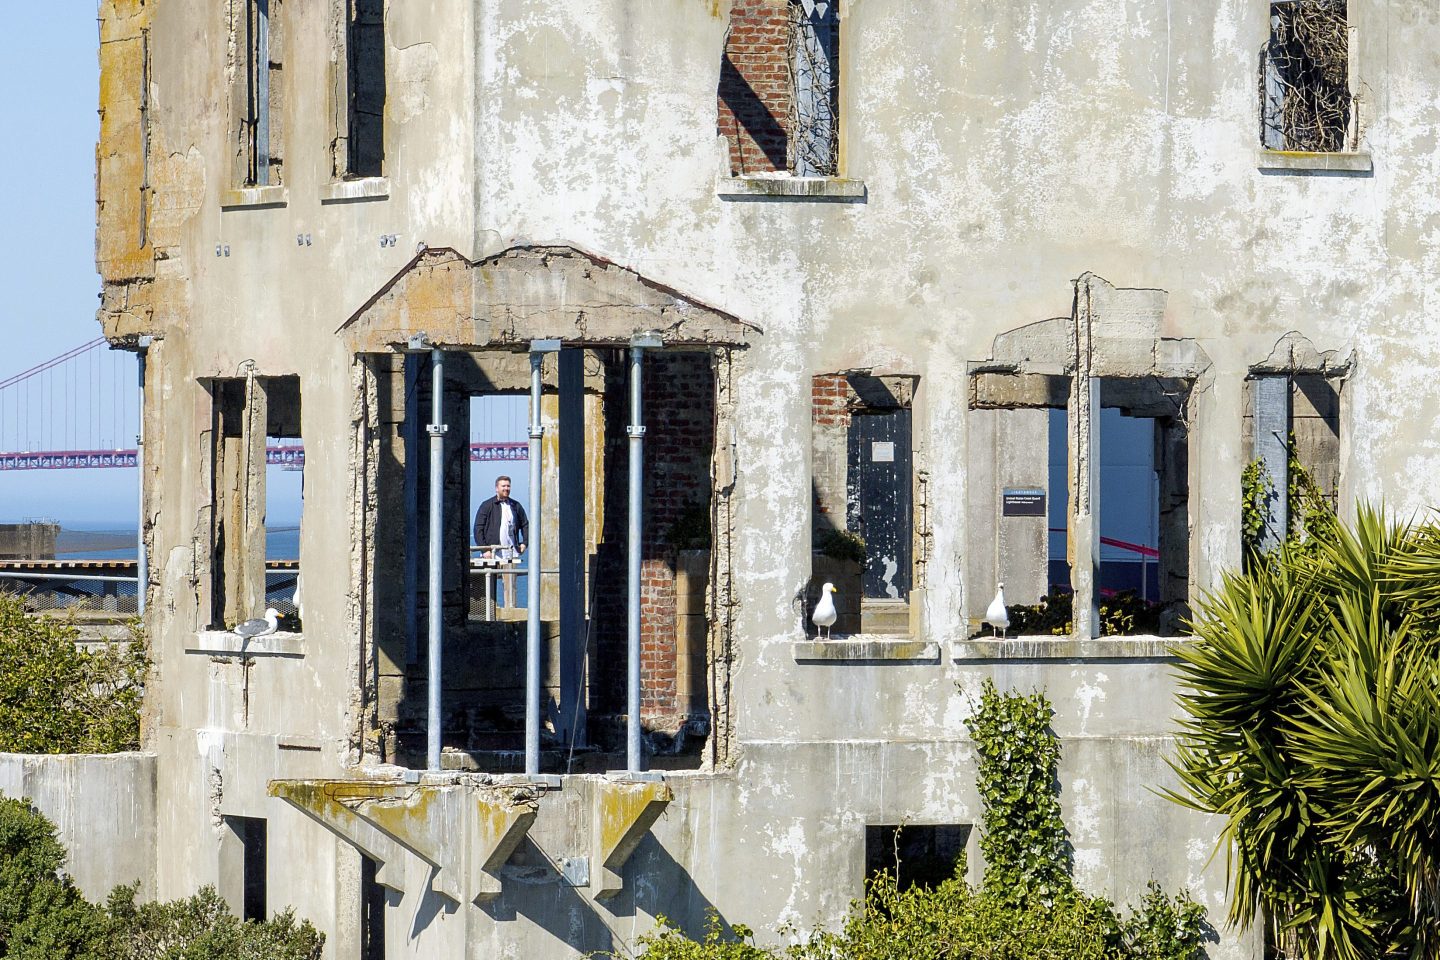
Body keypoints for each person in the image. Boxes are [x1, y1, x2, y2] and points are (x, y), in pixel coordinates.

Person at [472, 476, 528, 607]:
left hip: (510, 553)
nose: (506, 489)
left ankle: (510, 611)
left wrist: (525, 542)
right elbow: (478, 528)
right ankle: (487, 613)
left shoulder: (516, 505)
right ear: (497, 488)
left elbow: (525, 524)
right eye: (503, 486)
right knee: (488, 584)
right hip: (491, 553)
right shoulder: (487, 505)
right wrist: (484, 549)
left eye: (508, 486)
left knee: (510, 587)